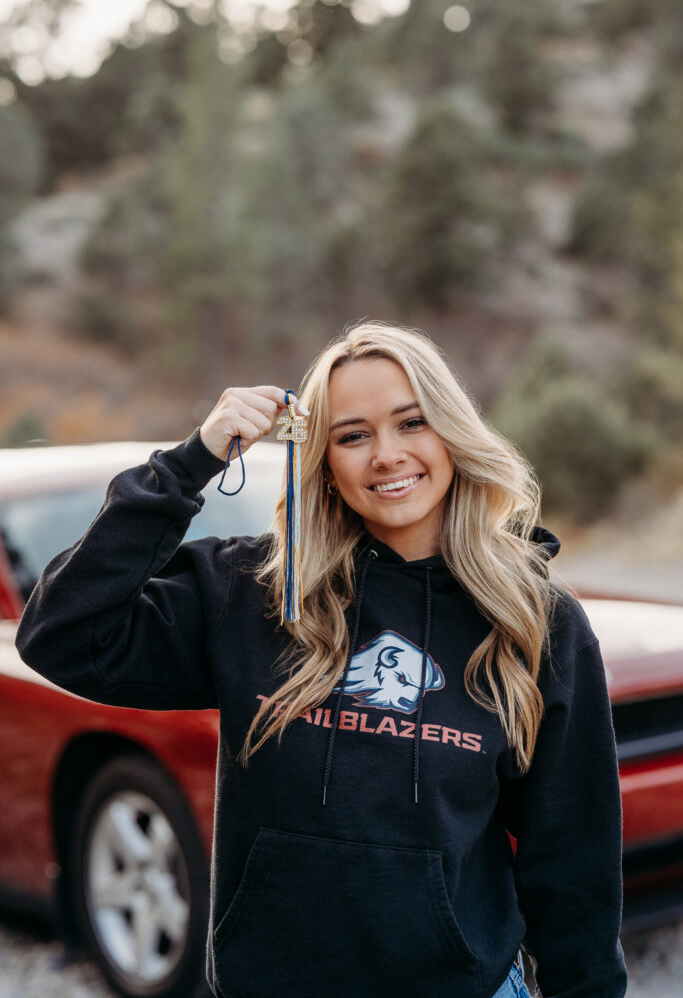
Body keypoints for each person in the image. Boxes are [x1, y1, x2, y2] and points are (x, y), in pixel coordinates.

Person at [16, 321, 628, 998]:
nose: (387, 455)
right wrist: (189, 465)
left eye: (412, 423)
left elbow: (573, 859)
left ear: (452, 434)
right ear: (324, 462)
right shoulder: (251, 593)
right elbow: (60, 633)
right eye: (352, 435)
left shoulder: (534, 620)